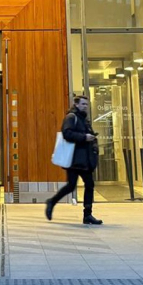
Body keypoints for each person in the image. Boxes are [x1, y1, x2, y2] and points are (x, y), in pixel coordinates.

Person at [45, 95, 103, 225]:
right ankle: (52, 202)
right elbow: (67, 133)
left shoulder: (84, 119)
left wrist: (91, 137)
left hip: (84, 159)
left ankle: (87, 214)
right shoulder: (71, 117)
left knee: (87, 185)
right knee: (74, 186)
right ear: (76, 104)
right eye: (83, 104)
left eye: (86, 104)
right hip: (74, 159)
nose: (85, 106)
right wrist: (84, 137)